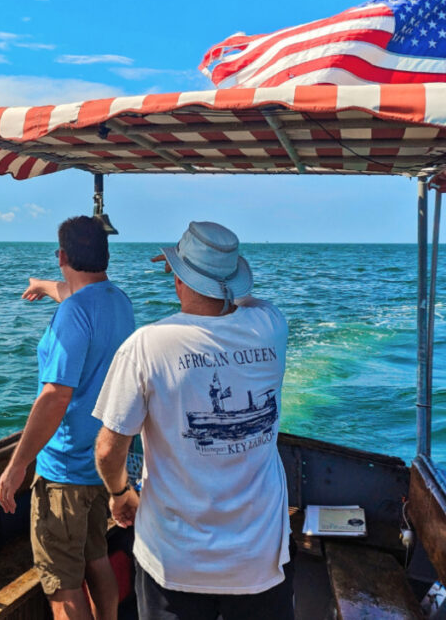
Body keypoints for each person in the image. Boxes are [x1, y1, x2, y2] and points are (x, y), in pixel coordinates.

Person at [93, 221, 292, 620]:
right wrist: (215, 276)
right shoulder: (271, 326)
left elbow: (108, 450)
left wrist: (120, 493)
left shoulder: (146, 345)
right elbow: (247, 300)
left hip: (174, 559)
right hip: (259, 557)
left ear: (178, 279)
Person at [0, 216, 135, 620]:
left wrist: (18, 463)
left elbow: (55, 396)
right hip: (103, 467)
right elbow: (74, 294)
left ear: (62, 255)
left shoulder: (74, 313)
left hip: (65, 474)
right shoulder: (116, 301)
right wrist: (42, 285)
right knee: (97, 560)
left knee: (63, 584)